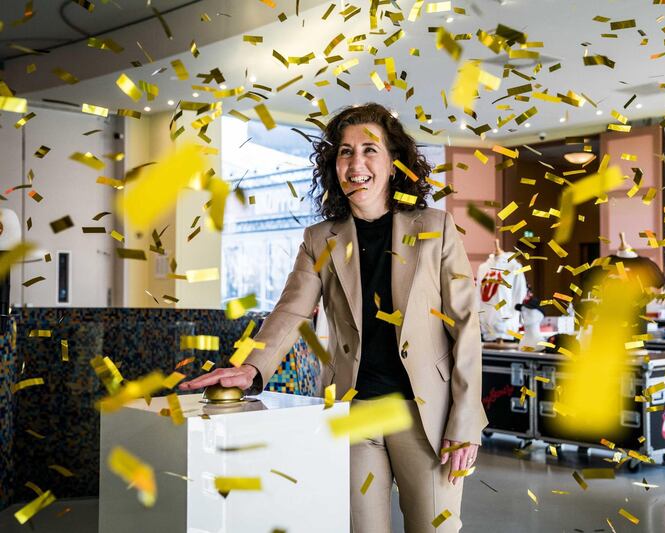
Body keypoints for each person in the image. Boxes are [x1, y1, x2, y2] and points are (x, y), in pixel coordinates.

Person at [181, 103, 488, 532]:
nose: (355, 163)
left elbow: (465, 326)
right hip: (354, 412)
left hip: (426, 417)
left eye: (369, 150)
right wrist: (251, 368)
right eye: (345, 152)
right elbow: (291, 309)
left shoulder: (436, 227)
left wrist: (466, 421)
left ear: (394, 162)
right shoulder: (318, 238)